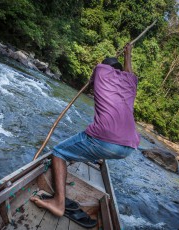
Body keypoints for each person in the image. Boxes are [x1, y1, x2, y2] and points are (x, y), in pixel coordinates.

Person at [30, 43, 140, 216]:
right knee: (92, 139)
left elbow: (91, 84)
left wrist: (94, 77)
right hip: (129, 146)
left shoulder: (101, 71)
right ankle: (88, 156)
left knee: (59, 153)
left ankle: (59, 203)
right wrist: (128, 54)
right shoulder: (131, 83)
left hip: (105, 140)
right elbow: (128, 72)